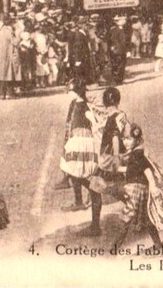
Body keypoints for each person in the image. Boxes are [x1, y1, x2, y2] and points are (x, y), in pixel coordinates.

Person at [115, 124, 163, 248]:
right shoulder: (136, 153)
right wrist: (118, 169)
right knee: (147, 219)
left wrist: (153, 185)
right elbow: (133, 169)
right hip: (141, 190)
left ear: (137, 140)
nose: (126, 142)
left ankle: (114, 249)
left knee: (126, 219)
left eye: (129, 139)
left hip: (136, 190)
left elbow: (147, 170)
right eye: (124, 139)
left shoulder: (137, 154)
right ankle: (158, 246)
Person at [58, 78, 102, 236]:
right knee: (75, 174)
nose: (67, 93)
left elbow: (94, 120)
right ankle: (83, 201)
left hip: (83, 144)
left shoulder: (83, 105)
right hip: (76, 143)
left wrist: (96, 131)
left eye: (69, 91)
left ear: (75, 92)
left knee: (84, 178)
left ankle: (95, 225)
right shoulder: (75, 103)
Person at [107, 15, 128, 85]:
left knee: (118, 65)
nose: (125, 21)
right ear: (120, 21)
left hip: (118, 50)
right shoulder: (117, 29)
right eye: (124, 20)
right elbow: (118, 40)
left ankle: (118, 80)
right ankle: (117, 80)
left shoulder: (118, 28)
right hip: (118, 50)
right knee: (118, 65)